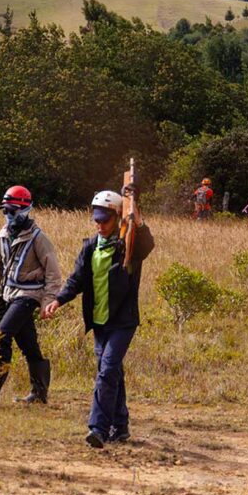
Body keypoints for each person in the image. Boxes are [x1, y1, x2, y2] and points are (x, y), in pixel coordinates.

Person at [44, 188, 154, 448]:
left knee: (106, 370)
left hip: (123, 321)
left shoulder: (128, 245)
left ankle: (98, 429)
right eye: (96, 220)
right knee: (111, 371)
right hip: (99, 321)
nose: (100, 225)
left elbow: (147, 244)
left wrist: (135, 214)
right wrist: (58, 300)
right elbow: (77, 279)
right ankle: (121, 426)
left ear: (117, 218)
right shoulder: (91, 247)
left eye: (105, 220)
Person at [0, 186, 62, 405]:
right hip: (7, 295)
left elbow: (53, 273)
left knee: (2, 336)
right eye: (5, 210)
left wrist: (48, 302)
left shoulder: (39, 238)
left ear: (24, 210)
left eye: (12, 211)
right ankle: (39, 394)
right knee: (28, 344)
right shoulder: (2, 235)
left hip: (28, 295)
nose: (8, 215)